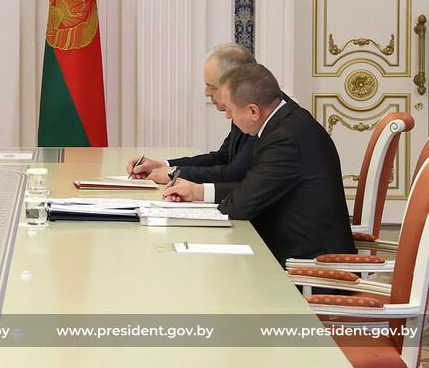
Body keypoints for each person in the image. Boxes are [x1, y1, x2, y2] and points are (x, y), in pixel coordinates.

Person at [163, 63, 355, 264]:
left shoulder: (284, 139)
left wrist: (201, 193)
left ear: (253, 111)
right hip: (291, 249)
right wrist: (197, 192)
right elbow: (254, 187)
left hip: (311, 265)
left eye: (230, 110)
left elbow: (240, 205)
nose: (228, 116)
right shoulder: (288, 122)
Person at [127, 43, 256, 183]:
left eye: (211, 86)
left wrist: (173, 173)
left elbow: (235, 174)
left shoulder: (259, 116)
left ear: (234, 85)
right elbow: (222, 158)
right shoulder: (242, 109)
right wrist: (163, 165)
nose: (206, 93)